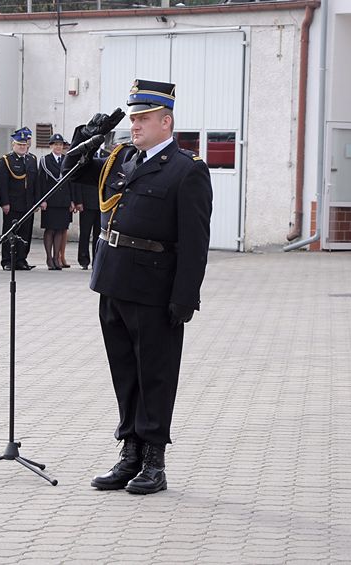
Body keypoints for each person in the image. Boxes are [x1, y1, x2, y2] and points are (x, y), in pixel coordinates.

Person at [66, 79, 212, 494]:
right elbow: (69, 171)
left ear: (166, 122)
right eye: (133, 118)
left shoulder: (188, 170)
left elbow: (195, 242)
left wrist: (185, 297)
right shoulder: (120, 159)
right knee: (125, 372)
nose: (135, 125)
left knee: (156, 376)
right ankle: (129, 453)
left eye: (143, 118)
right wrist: (87, 135)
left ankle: (154, 461)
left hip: (154, 289)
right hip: (113, 281)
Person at [0, 127, 37, 271]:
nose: (22, 147)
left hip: (28, 204)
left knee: (25, 233)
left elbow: (35, 183)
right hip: (13, 204)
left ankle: (21, 259)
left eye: (24, 144)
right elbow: (2, 183)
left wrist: (36, 202)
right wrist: (4, 202)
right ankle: (7, 261)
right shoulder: (6, 160)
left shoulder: (32, 159)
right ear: (13, 145)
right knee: (10, 233)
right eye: (19, 144)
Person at [37, 133, 72, 270]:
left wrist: (72, 200)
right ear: (51, 146)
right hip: (50, 200)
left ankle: (57, 257)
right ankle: (49, 258)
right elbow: (41, 181)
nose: (58, 147)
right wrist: (42, 199)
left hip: (63, 200)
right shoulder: (45, 160)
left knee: (60, 229)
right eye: (55, 144)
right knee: (50, 229)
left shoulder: (67, 159)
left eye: (60, 144)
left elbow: (70, 182)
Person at [74, 146, 109, 270]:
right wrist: (78, 201)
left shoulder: (108, 155)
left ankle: (97, 259)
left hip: (102, 202)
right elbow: (78, 180)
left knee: (99, 234)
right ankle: (83, 259)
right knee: (85, 233)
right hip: (86, 202)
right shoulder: (85, 156)